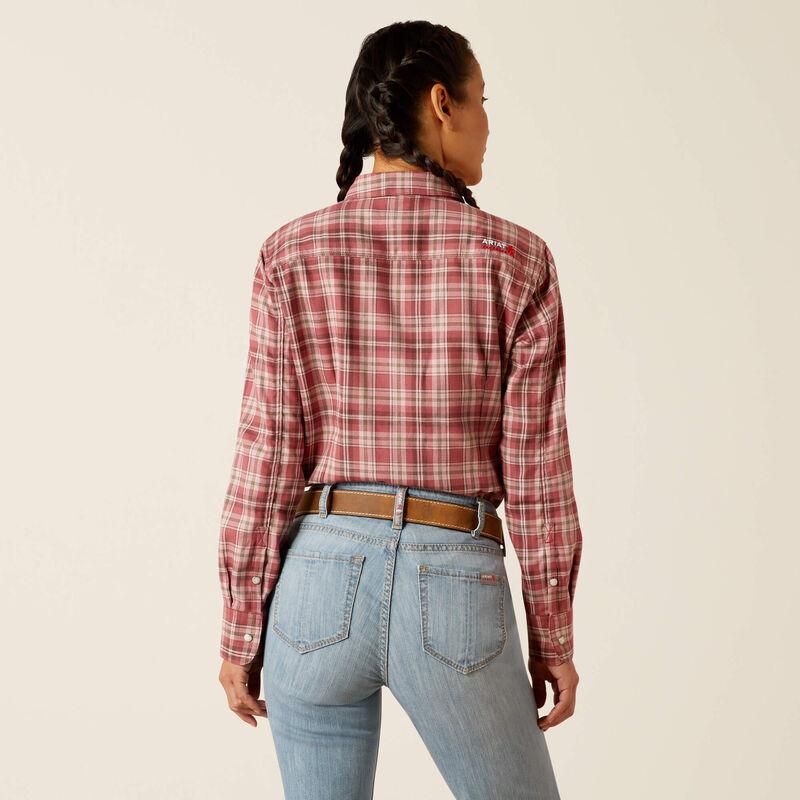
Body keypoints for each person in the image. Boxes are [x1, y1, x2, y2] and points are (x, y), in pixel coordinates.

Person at [217, 20, 583, 800]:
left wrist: (241, 625)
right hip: (454, 587)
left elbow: (266, 453)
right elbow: (537, 471)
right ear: (442, 103)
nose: (488, 124)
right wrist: (552, 632)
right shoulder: (518, 261)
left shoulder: (291, 253)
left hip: (315, 583)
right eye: (483, 101)